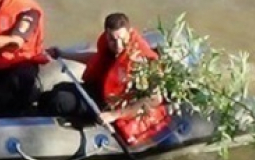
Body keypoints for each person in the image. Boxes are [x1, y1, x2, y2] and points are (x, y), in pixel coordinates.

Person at [42, 12, 171, 147]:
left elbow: (154, 98)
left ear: (130, 32)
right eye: (112, 40)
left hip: (117, 103)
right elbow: (96, 60)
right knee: (57, 90)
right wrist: (63, 54)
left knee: (61, 101)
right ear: (106, 34)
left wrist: (114, 115)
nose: (118, 45)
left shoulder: (142, 60)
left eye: (122, 39)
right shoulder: (108, 46)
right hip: (101, 90)